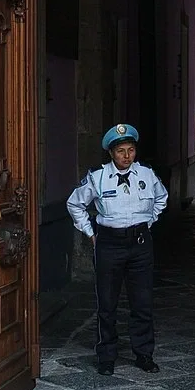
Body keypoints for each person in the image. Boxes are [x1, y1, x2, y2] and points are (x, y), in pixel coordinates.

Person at [67, 122, 168, 375]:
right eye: (121, 151)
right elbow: (75, 204)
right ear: (111, 153)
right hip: (109, 244)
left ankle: (144, 354)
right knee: (107, 303)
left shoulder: (146, 174)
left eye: (131, 150)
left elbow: (161, 198)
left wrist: (148, 222)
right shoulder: (97, 177)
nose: (126, 156)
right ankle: (106, 357)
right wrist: (91, 234)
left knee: (142, 303)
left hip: (140, 244)